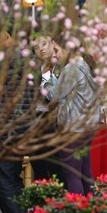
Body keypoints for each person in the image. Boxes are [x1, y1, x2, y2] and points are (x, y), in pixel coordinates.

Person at [0, 26, 33, 213]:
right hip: (22, 127)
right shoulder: (29, 59)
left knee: (5, 178)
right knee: (13, 176)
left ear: (5, 35)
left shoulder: (6, 60)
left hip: (6, 128)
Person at [42, 38, 101, 195]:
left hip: (73, 128)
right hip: (87, 126)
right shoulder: (85, 65)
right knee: (85, 173)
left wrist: (45, 81)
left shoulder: (71, 68)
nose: (55, 55)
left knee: (73, 176)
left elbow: (54, 95)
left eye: (56, 51)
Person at [31, 33, 65, 182]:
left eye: (44, 44)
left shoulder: (61, 66)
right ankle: (42, 199)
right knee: (37, 162)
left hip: (54, 119)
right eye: (36, 48)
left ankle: (59, 199)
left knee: (55, 164)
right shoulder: (36, 68)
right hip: (36, 118)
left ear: (52, 43)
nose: (41, 49)